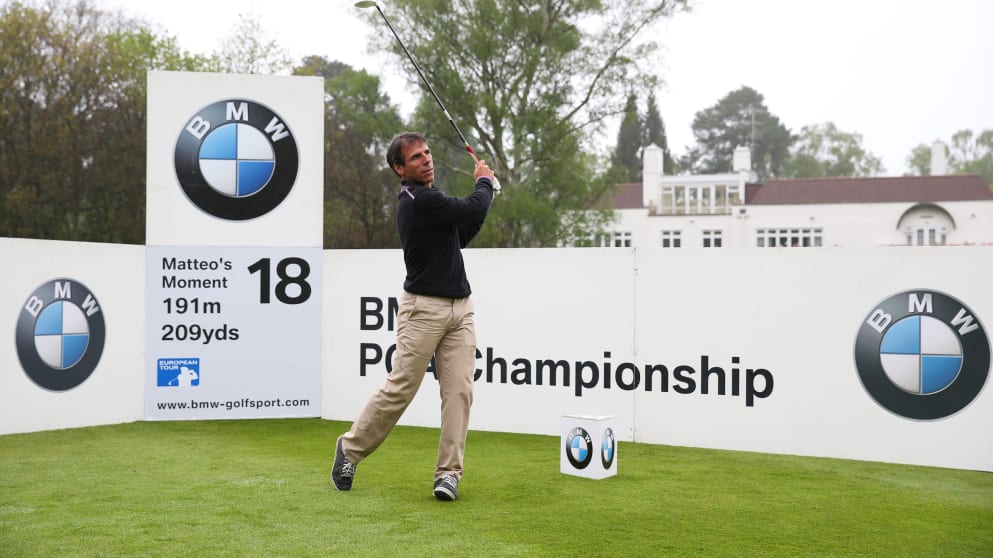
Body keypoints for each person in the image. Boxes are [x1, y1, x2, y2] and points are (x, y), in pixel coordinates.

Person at [331, 131, 495, 501]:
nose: (427, 159)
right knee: (402, 386)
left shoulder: (431, 202)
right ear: (399, 169)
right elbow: (469, 208)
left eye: (427, 152)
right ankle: (350, 449)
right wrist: (484, 181)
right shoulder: (417, 199)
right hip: (423, 309)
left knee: (459, 392)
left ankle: (448, 474)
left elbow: (462, 231)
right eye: (417, 157)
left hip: (460, 309)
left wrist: (487, 195)